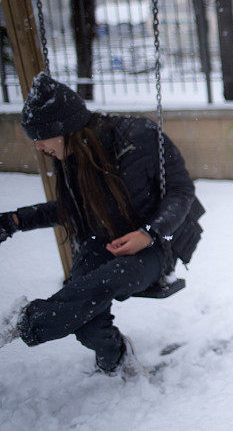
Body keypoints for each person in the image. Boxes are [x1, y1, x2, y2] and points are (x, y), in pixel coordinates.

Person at [0, 72, 204, 376]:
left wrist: (148, 234)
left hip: (154, 248)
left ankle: (27, 321)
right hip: (102, 242)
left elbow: (181, 192)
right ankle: (119, 357)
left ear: (63, 128)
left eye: (40, 138)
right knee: (86, 324)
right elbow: (70, 210)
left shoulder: (139, 137)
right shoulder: (72, 159)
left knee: (109, 279)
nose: (39, 148)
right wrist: (17, 220)